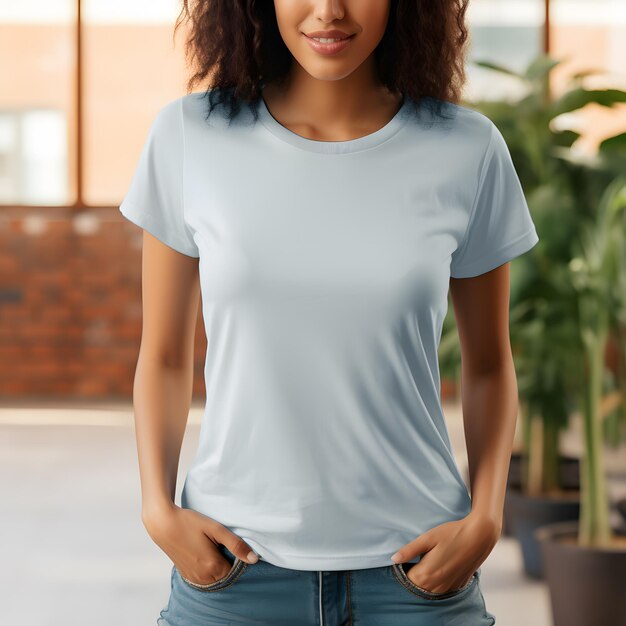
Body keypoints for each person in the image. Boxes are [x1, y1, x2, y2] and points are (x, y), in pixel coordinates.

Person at [119, 0, 539, 624]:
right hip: (236, 571)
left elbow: (488, 366)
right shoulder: (189, 136)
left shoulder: (467, 149)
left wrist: (485, 518)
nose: (328, 11)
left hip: (417, 574)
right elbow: (165, 355)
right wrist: (158, 507)